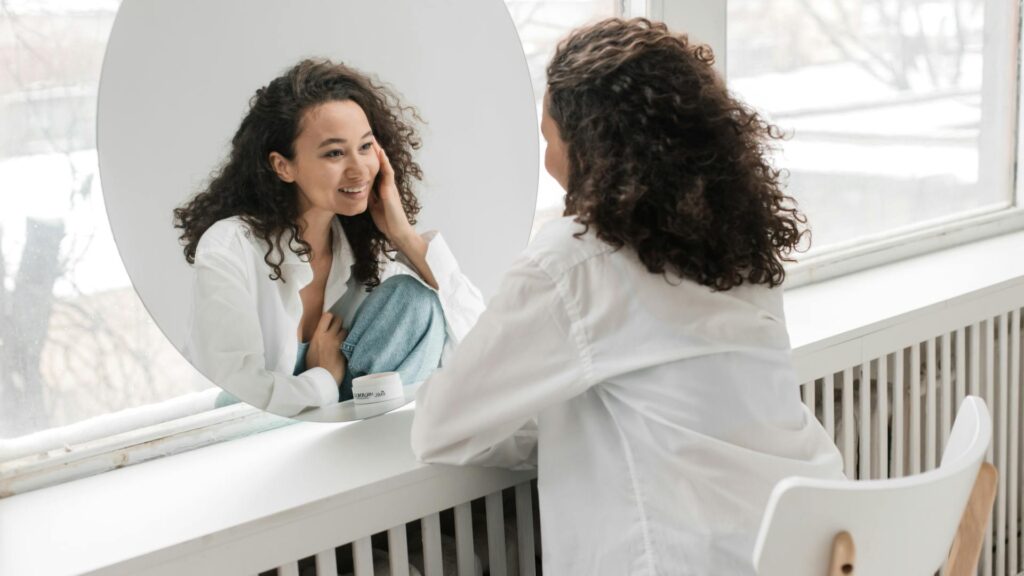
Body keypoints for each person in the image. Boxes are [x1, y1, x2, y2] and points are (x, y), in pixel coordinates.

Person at [411, 18, 845, 575]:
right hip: (821, 541)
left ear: (591, 148)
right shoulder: (736, 244)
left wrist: (560, 426)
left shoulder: (576, 260)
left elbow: (440, 426)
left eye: (549, 139)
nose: (548, 163)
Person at [174, 59, 484, 417]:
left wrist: (402, 234)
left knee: (417, 302)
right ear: (283, 166)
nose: (358, 169)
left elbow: (477, 345)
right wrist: (321, 377)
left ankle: (371, 452)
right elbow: (239, 395)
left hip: (354, 434)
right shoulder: (230, 247)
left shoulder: (363, 246)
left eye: (366, 147)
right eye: (335, 153)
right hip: (255, 441)